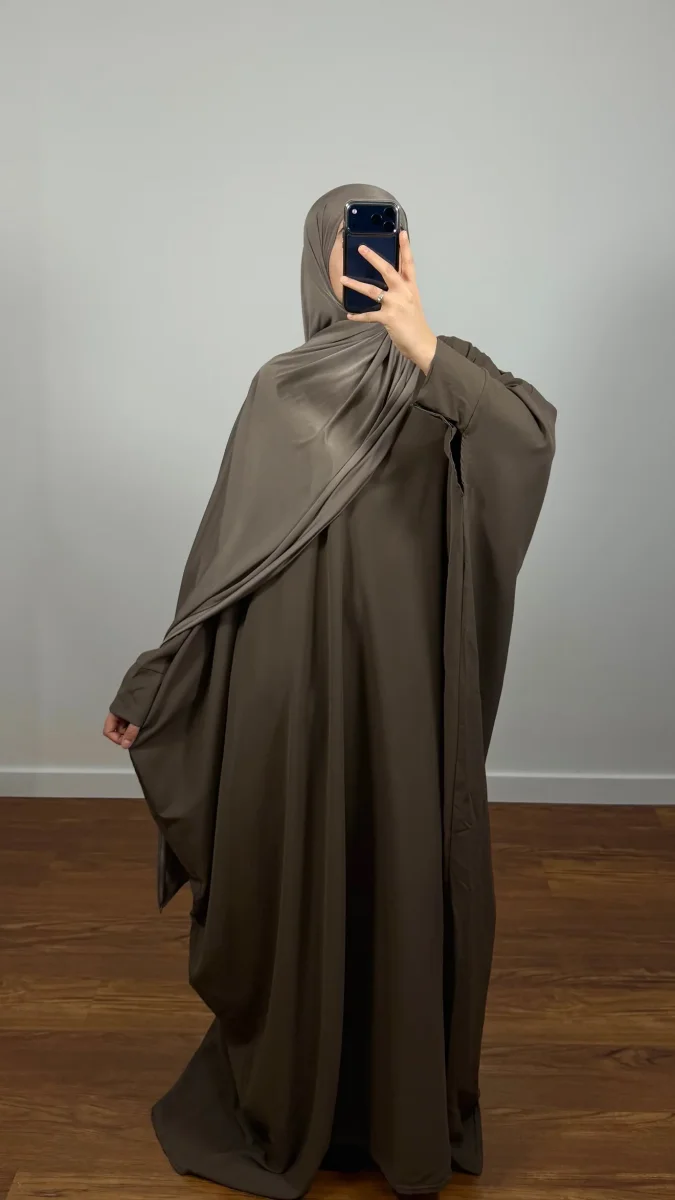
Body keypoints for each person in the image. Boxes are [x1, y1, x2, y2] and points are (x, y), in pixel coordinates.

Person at [103, 182, 556, 1198]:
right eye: (352, 242)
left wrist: (424, 346)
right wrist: (157, 678)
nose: (368, 257)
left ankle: (396, 1112)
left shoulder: (451, 376)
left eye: (387, 238)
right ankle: (291, 1097)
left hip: (403, 703)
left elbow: (526, 445)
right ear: (320, 259)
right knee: (290, 884)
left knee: (401, 880)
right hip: (291, 698)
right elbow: (222, 562)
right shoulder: (280, 391)